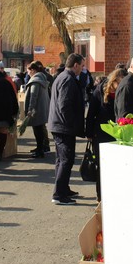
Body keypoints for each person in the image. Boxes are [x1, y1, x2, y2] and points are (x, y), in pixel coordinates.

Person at [47, 53, 87, 205]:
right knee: (65, 160)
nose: (82, 69)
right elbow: (64, 106)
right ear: (75, 65)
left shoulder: (63, 77)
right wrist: (72, 124)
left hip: (60, 125)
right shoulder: (68, 79)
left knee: (62, 160)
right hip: (63, 127)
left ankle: (63, 189)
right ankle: (59, 194)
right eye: (82, 66)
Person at [86, 68, 127, 201]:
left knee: (114, 167)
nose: (120, 86)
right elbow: (91, 113)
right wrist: (89, 133)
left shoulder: (123, 92)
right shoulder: (100, 91)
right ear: (113, 81)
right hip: (101, 134)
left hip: (117, 135)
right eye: (118, 83)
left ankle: (113, 195)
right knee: (102, 167)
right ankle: (100, 196)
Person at [0, 62, 19, 161]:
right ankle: (0, 153)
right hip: (5, 111)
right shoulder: (7, 82)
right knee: (3, 131)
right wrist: (14, 111)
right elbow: (13, 97)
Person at [24, 61, 51, 157]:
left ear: (33, 70)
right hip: (42, 109)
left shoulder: (35, 81)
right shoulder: (42, 79)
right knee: (39, 130)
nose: (27, 73)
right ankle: (40, 148)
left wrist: (30, 110)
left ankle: (40, 150)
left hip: (37, 111)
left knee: (38, 131)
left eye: (28, 71)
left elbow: (33, 97)